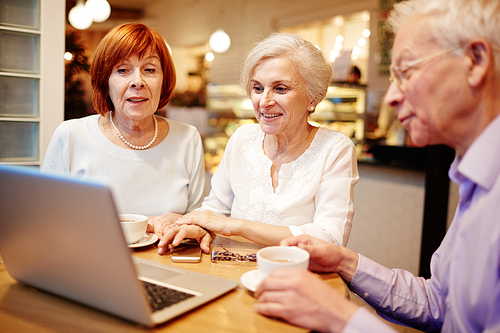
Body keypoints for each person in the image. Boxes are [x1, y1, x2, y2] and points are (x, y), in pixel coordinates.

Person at [253, 0, 500, 332]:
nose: (391, 97)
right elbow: (438, 304)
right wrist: (345, 262)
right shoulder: (475, 179)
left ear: (476, 61)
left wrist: (342, 318)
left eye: (406, 71)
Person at [158, 32, 359, 254]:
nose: (264, 101)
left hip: (299, 278)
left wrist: (236, 226)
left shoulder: (335, 148)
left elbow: (330, 238)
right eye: (257, 88)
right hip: (232, 269)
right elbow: (215, 210)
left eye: (280, 88)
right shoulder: (242, 139)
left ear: (313, 97)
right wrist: (193, 226)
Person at [42, 23, 206, 237]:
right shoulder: (71, 136)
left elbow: (199, 220)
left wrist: (191, 227)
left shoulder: (187, 138)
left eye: (150, 70)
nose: (138, 81)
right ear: (105, 81)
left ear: (164, 80)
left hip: (168, 264)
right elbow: (46, 219)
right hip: (90, 263)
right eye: (123, 70)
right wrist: (148, 224)